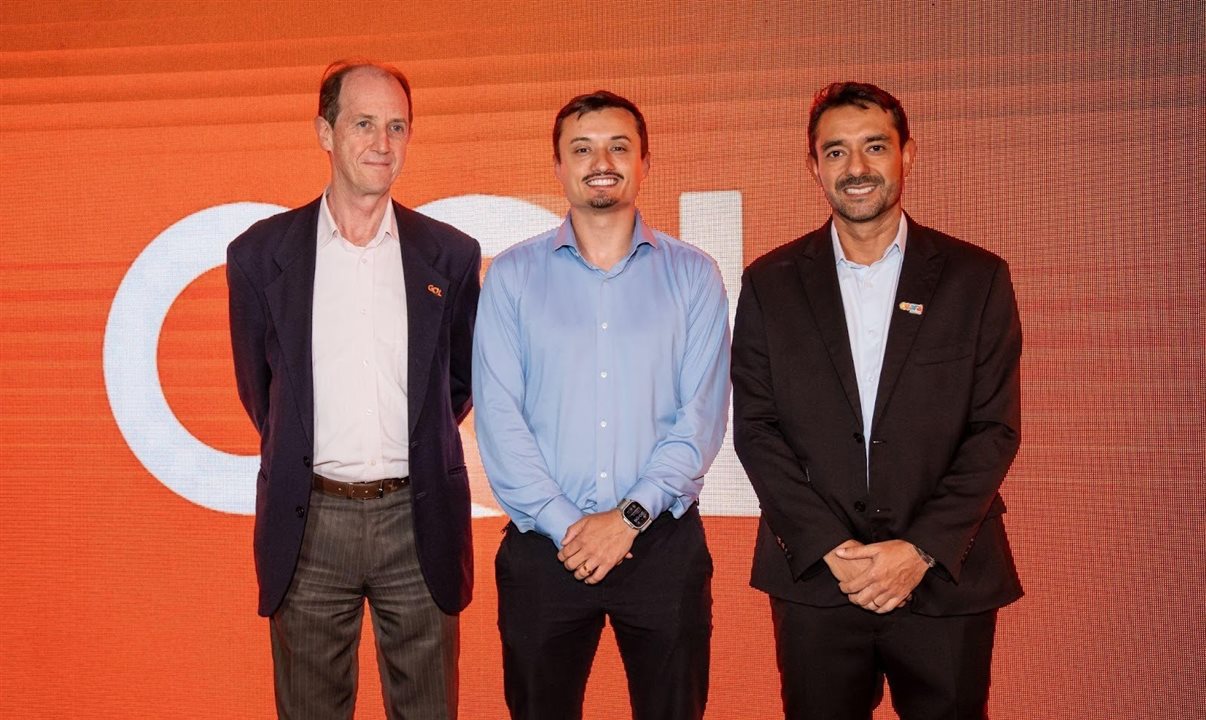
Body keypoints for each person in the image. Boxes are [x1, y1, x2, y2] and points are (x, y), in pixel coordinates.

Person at [732, 81, 1024, 719]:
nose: (856, 168)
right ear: (814, 167)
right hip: (816, 579)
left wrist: (917, 550)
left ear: (908, 155)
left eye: (874, 147)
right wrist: (830, 548)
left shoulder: (976, 279)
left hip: (945, 578)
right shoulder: (768, 283)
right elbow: (756, 428)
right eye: (835, 152)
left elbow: (994, 430)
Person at [226, 60, 480, 719]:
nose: (382, 144)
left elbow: (456, 384)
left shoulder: (450, 255)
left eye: (397, 126)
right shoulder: (259, 255)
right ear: (325, 132)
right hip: (310, 522)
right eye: (364, 123)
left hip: (417, 517)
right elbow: (263, 392)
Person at [472, 90, 730, 720]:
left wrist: (628, 519)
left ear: (646, 162)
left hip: (662, 546)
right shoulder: (511, 276)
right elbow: (500, 421)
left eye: (620, 146)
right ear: (557, 166)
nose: (601, 161)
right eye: (581, 148)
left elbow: (699, 420)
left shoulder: (695, 276)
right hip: (544, 551)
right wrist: (569, 527)